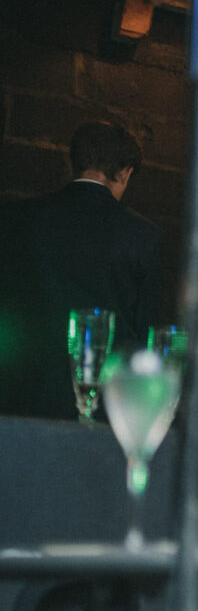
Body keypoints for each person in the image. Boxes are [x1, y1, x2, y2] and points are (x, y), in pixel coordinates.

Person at [0, 121, 161, 417]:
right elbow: (145, 335)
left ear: (72, 161)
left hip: (18, 399)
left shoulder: (15, 219)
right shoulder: (143, 236)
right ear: (125, 173)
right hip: (105, 408)